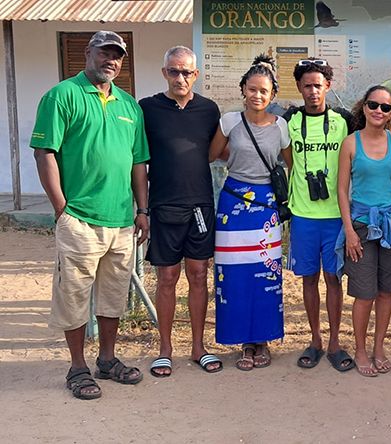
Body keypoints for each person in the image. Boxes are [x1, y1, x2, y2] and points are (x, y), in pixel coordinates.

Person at [30, 31, 148, 399]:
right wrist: (61, 209)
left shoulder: (129, 106)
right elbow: (45, 152)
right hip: (79, 219)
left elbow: (138, 162)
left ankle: (108, 360)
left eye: (117, 56)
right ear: (89, 53)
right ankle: (78, 367)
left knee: (113, 297)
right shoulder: (61, 96)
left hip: (120, 221)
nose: (110, 61)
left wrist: (142, 210)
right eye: (104, 53)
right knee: (75, 296)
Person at [140, 46, 222, 377]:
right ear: (164, 74)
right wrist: (142, 208)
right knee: (167, 278)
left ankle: (198, 347)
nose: (180, 78)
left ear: (196, 75)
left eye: (187, 72)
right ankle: (164, 349)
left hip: (201, 206)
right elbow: (137, 161)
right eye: (174, 71)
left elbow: (218, 152)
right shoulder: (147, 108)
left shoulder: (208, 109)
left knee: (199, 275)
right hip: (163, 206)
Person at [208, 55, 289, 371]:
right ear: (243, 89)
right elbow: (214, 154)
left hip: (266, 210)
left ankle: (264, 341)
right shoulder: (228, 122)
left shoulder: (281, 126)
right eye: (252, 89)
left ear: (272, 95)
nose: (257, 96)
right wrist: (239, 157)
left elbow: (289, 163)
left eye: (264, 91)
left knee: (266, 275)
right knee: (236, 277)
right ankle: (244, 342)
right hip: (232, 208)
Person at [282, 58, 356, 372]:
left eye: (318, 85)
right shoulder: (288, 120)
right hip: (303, 215)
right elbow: (287, 161)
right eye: (307, 85)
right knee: (309, 279)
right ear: (299, 87)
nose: (313, 91)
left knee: (334, 278)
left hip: (336, 215)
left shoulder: (343, 120)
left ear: (328, 86)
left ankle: (336, 342)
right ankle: (315, 340)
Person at [337, 86, 391, 377]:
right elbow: (341, 190)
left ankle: (379, 347)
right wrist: (350, 232)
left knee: (386, 291)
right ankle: (361, 349)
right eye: (373, 104)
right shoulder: (350, 144)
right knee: (364, 293)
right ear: (363, 107)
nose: (379, 110)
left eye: (385, 107)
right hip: (362, 226)